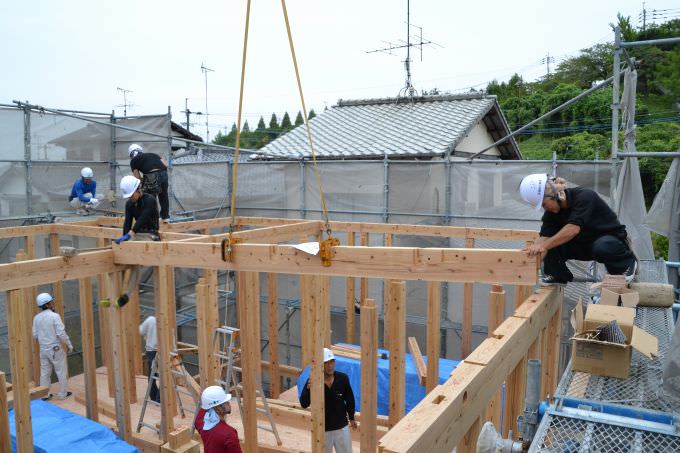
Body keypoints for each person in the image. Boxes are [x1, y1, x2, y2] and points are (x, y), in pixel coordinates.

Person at [519, 173, 638, 286]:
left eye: (544, 204)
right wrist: (527, 262)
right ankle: (558, 276)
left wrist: (543, 246)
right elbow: (543, 239)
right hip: (586, 245)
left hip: (611, 242)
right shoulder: (551, 214)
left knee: (602, 246)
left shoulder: (584, 196)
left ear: (553, 195)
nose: (545, 209)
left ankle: (627, 264)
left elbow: (572, 229)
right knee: (550, 245)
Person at [108, 175, 160, 308]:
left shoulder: (150, 200)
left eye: (132, 195)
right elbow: (127, 222)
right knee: (121, 257)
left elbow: (143, 218)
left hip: (150, 235)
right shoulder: (129, 204)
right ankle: (113, 294)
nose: (131, 198)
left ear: (139, 189)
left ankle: (127, 295)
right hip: (136, 235)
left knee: (135, 262)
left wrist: (131, 233)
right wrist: (124, 237)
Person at [299, 348, 357, 453]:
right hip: (323, 429)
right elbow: (304, 403)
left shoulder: (342, 379)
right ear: (321, 365)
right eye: (326, 363)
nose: (330, 366)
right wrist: (308, 390)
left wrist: (352, 418)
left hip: (341, 426)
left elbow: (350, 399)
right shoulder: (314, 381)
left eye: (332, 362)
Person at [32, 292, 73, 400]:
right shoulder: (55, 316)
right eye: (51, 302)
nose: (53, 303)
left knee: (45, 372)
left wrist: (45, 339)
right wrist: (69, 344)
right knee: (61, 370)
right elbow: (61, 333)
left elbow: (35, 335)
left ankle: (44, 395)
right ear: (47, 304)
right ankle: (62, 394)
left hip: (43, 349)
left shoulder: (36, 318)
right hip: (55, 348)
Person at [128, 143, 170, 223]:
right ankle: (165, 217)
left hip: (151, 174)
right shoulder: (153, 154)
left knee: (150, 197)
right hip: (164, 173)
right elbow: (165, 164)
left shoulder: (133, 161)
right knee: (163, 196)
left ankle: (153, 219)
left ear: (131, 154)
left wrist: (143, 182)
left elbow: (137, 177)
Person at [194, 386, 242, 453]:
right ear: (219, 408)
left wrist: (205, 399)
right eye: (226, 402)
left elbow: (200, 416)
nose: (229, 404)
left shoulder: (203, 424)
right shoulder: (229, 434)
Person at [139, 315, 160, 402]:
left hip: (151, 351)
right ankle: (159, 399)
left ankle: (154, 397)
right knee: (164, 376)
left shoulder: (150, 319)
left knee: (152, 375)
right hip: (162, 351)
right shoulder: (167, 321)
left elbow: (141, 331)